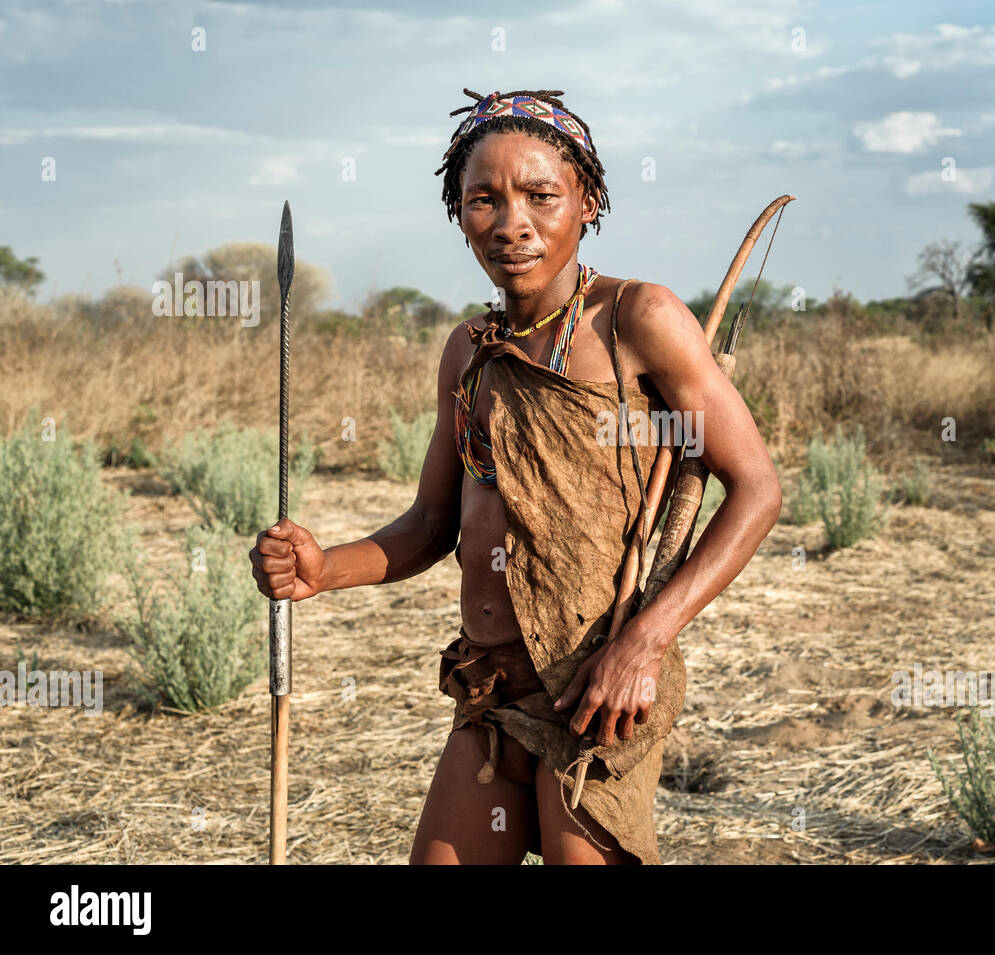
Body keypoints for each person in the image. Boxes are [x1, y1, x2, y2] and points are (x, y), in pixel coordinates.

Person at [249, 88, 782, 865]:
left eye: (541, 195)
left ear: (588, 200)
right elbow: (432, 526)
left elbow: (757, 488)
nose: (512, 222)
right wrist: (322, 569)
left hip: (597, 691)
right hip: (491, 691)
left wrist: (645, 642)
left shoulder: (637, 319)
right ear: (459, 214)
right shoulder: (470, 352)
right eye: (482, 201)